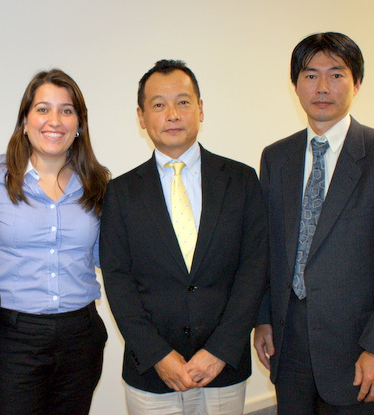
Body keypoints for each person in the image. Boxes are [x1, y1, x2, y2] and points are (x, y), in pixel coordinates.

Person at [253, 32, 374, 414]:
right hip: (288, 342)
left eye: (336, 74)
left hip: (358, 346)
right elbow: (268, 249)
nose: (322, 87)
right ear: (296, 84)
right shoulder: (276, 157)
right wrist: (263, 320)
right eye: (310, 75)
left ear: (356, 82)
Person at [99, 59, 268, 415]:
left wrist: (220, 350)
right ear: (141, 117)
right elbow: (117, 280)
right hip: (152, 371)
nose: (172, 114)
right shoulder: (121, 192)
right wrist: (157, 355)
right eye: (159, 104)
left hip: (224, 367)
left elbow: (254, 269)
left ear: (200, 109)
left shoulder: (241, 180)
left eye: (183, 102)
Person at [0, 69, 110, 415]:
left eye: (66, 110)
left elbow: (106, 258)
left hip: (80, 336)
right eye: (43, 109)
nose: (55, 120)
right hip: (12, 338)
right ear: (24, 120)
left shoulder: (98, 183)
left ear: (79, 124)